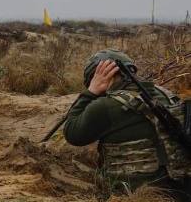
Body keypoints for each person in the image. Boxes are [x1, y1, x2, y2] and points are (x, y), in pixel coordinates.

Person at [63, 48, 191, 200]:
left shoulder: (105, 106)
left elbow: (72, 133)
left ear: (98, 76)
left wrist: (90, 92)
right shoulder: (166, 94)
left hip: (139, 195)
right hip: (183, 191)